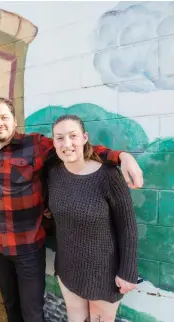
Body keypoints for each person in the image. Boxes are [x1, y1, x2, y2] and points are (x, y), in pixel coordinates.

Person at [0, 97, 143, 322]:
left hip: (28, 247)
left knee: (32, 312)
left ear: (14, 120)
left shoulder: (36, 145)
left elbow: (73, 148)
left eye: (4, 117)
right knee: (10, 306)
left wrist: (121, 156)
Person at [48, 114, 138, 322]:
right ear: (53, 142)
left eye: (73, 136)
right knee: (75, 318)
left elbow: (128, 227)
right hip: (68, 267)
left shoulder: (108, 176)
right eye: (60, 138)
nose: (67, 144)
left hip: (104, 272)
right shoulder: (54, 174)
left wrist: (128, 271)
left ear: (85, 137)